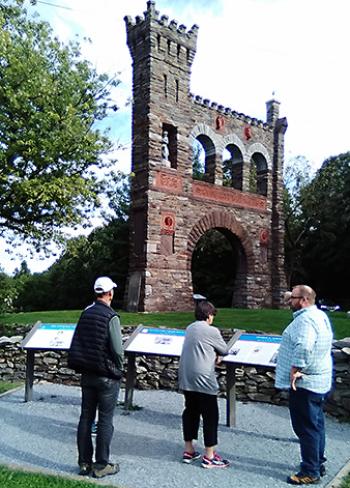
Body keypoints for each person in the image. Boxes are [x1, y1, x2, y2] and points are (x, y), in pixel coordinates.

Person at [275, 284, 333, 485]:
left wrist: (296, 368)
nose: (289, 300)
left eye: (292, 297)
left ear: (304, 300)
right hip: (319, 379)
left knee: (306, 427)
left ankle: (310, 471)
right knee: (316, 424)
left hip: (305, 382)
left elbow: (305, 346)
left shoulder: (305, 320)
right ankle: (318, 462)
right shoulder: (319, 316)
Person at [68, 276, 123, 479]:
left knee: (86, 417)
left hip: (87, 373)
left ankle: (84, 462)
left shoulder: (86, 313)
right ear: (110, 293)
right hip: (106, 376)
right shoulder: (111, 316)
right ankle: (101, 465)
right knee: (105, 420)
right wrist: (119, 367)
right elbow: (118, 349)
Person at [178, 300, 230, 469]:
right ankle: (209, 455)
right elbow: (224, 349)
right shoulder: (211, 330)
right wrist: (217, 355)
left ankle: (189, 450)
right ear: (209, 315)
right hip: (203, 379)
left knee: (191, 412)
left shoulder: (190, 328)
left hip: (187, 377)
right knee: (210, 415)